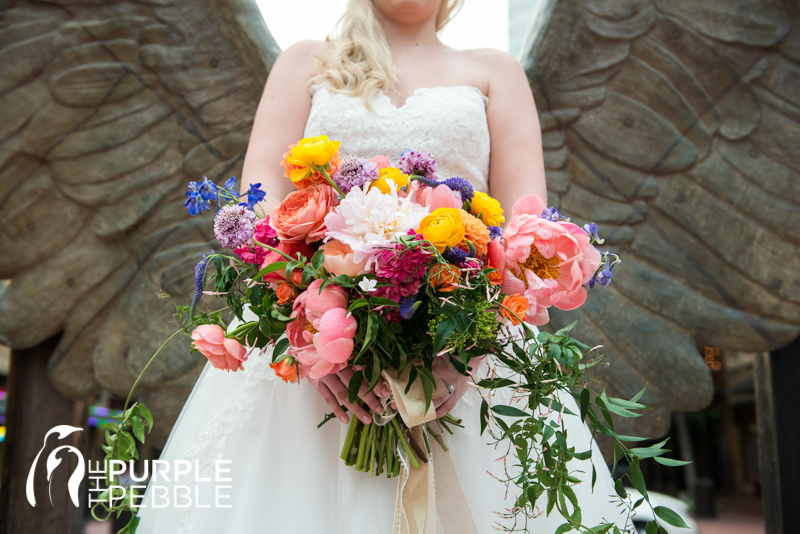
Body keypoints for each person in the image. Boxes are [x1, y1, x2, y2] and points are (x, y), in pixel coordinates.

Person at [137, 1, 631, 532]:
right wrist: (317, 342)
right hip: (305, 337)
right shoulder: (305, 63)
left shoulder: (496, 72)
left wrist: (461, 351)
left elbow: (519, 231)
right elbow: (262, 211)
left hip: (466, 341)